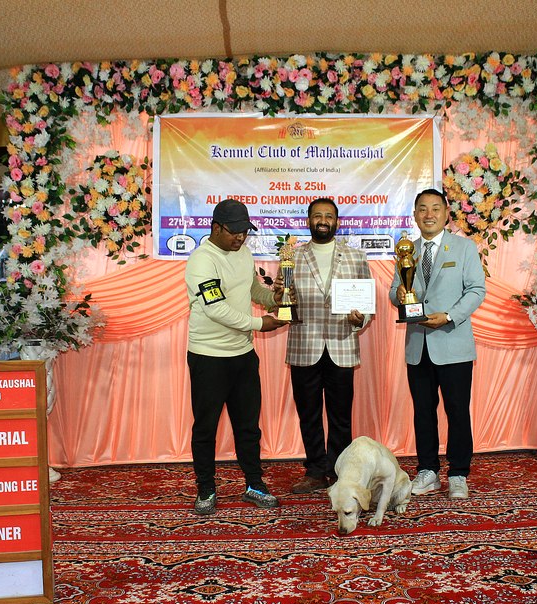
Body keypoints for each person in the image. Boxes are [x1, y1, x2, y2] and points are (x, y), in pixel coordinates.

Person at [184, 199, 287, 515]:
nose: (241, 237)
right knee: (206, 428)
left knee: (248, 427)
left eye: (245, 231)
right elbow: (216, 309)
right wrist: (260, 324)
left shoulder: (243, 253)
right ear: (216, 228)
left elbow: (253, 291)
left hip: (243, 355)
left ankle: (254, 484)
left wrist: (274, 299)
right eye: (234, 232)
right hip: (208, 356)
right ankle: (206, 488)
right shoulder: (202, 261)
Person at [389, 188, 486, 499]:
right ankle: (427, 471)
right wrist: (399, 295)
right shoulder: (407, 250)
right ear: (415, 215)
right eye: (422, 209)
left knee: (457, 411)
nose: (428, 214)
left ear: (446, 214)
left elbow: (476, 290)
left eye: (435, 208)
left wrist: (449, 316)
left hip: (453, 343)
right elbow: (395, 290)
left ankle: (458, 473)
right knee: (423, 412)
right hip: (418, 346)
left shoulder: (464, 247)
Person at [283, 198, 372, 494]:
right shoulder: (291, 257)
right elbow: (282, 297)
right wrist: (279, 297)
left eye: (329, 216)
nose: (323, 220)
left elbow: (366, 303)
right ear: (308, 221)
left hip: (342, 346)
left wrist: (360, 318)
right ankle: (315, 471)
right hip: (303, 346)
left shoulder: (356, 257)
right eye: (317, 215)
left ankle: (340, 470)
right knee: (308, 415)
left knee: (340, 416)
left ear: (337, 222)